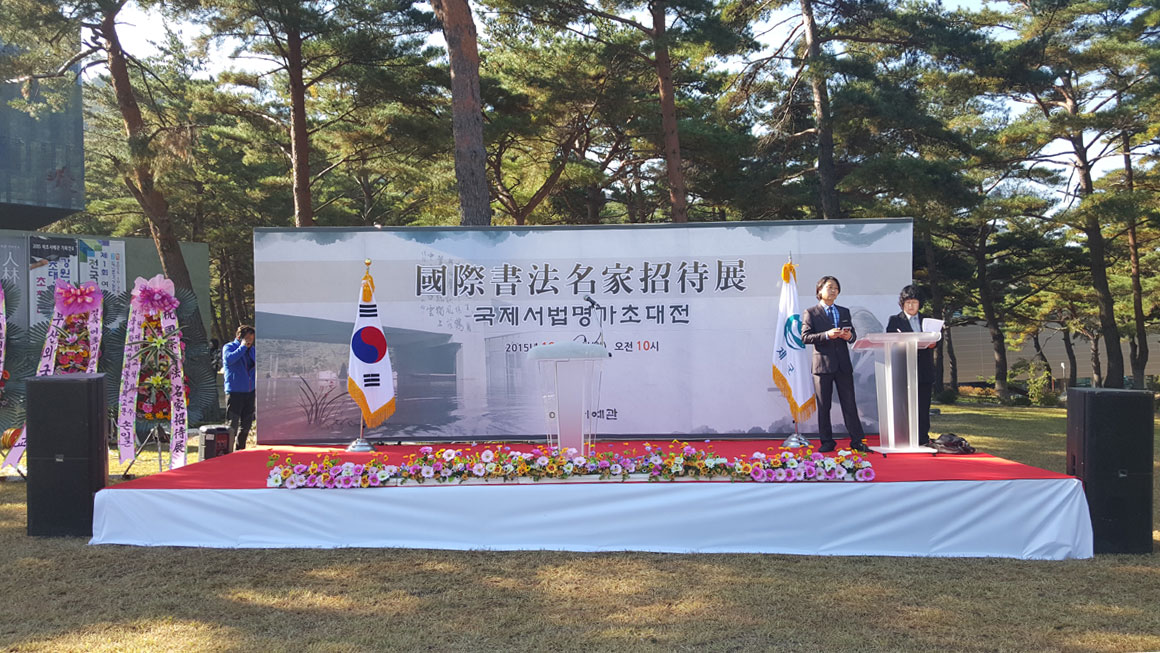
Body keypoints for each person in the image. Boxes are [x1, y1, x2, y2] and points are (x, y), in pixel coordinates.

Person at [801, 276, 869, 453]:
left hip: (843, 365)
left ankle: (857, 441)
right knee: (824, 406)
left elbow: (853, 336)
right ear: (819, 290)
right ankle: (827, 441)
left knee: (849, 404)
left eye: (836, 288)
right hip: (822, 366)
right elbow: (805, 337)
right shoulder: (811, 312)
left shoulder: (844, 311)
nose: (833, 291)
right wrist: (826, 335)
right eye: (829, 287)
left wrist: (849, 336)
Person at [886, 285, 936, 445]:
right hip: (904, 368)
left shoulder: (927, 320)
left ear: (920, 303)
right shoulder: (895, 320)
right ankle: (904, 438)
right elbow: (890, 341)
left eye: (914, 302)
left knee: (923, 406)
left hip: (924, 368)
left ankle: (922, 438)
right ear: (902, 304)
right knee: (904, 406)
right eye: (908, 302)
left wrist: (934, 343)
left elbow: (938, 339)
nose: (911, 306)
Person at [222, 325, 256, 451]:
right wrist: (242, 347)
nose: (250, 341)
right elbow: (229, 360)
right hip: (235, 391)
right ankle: (227, 449)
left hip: (250, 391)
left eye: (252, 338)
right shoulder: (229, 347)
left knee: (246, 424)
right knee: (233, 423)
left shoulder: (253, 350)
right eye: (247, 338)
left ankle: (240, 448)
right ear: (239, 337)